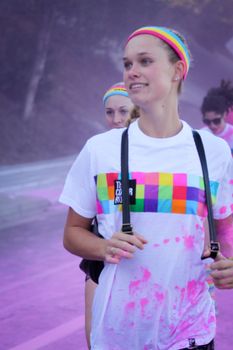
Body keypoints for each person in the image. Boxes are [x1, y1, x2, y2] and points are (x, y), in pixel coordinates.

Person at [60, 26, 233, 349]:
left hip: (191, 329)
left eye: (144, 61)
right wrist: (103, 247)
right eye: (127, 64)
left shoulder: (213, 151)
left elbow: (224, 227)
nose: (132, 72)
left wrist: (229, 264)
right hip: (119, 333)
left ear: (178, 70)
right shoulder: (100, 150)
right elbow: (72, 232)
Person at [80, 81, 134, 349]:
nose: (116, 119)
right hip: (102, 259)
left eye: (123, 111)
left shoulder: (157, 156)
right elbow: (79, 220)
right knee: (96, 338)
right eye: (110, 112)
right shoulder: (97, 150)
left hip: (143, 263)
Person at [201, 80, 233, 155]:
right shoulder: (202, 135)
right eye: (207, 122)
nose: (212, 125)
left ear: (225, 114)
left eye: (216, 121)